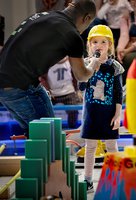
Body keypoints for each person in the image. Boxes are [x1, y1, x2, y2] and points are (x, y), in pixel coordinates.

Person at [0, 0, 97, 137]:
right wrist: (94, 64)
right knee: (47, 135)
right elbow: (81, 75)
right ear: (86, 18)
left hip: (9, 84)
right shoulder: (71, 34)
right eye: (89, 23)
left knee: (39, 132)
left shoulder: (42, 16)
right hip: (18, 87)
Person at [80, 25, 123, 192]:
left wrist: (117, 115)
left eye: (103, 42)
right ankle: (88, 179)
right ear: (89, 45)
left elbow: (119, 93)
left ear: (109, 45)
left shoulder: (115, 67)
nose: (99, 45)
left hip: (109, 112)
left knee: (111, 146)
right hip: (91, 113)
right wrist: (91, 67)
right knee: (90, 147)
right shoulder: (85, 64)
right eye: (95, 42)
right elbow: (81, 86)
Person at [39, 57, 83, 129]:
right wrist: (48, 90)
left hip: (69, 91)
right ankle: (47, 130)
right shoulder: (45, 62)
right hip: (52, 93)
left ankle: (71, 130)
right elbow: (42, 78)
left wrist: (77, 90)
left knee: (73, 111)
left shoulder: (70, 60)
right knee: (44, 111)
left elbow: (75, 75)